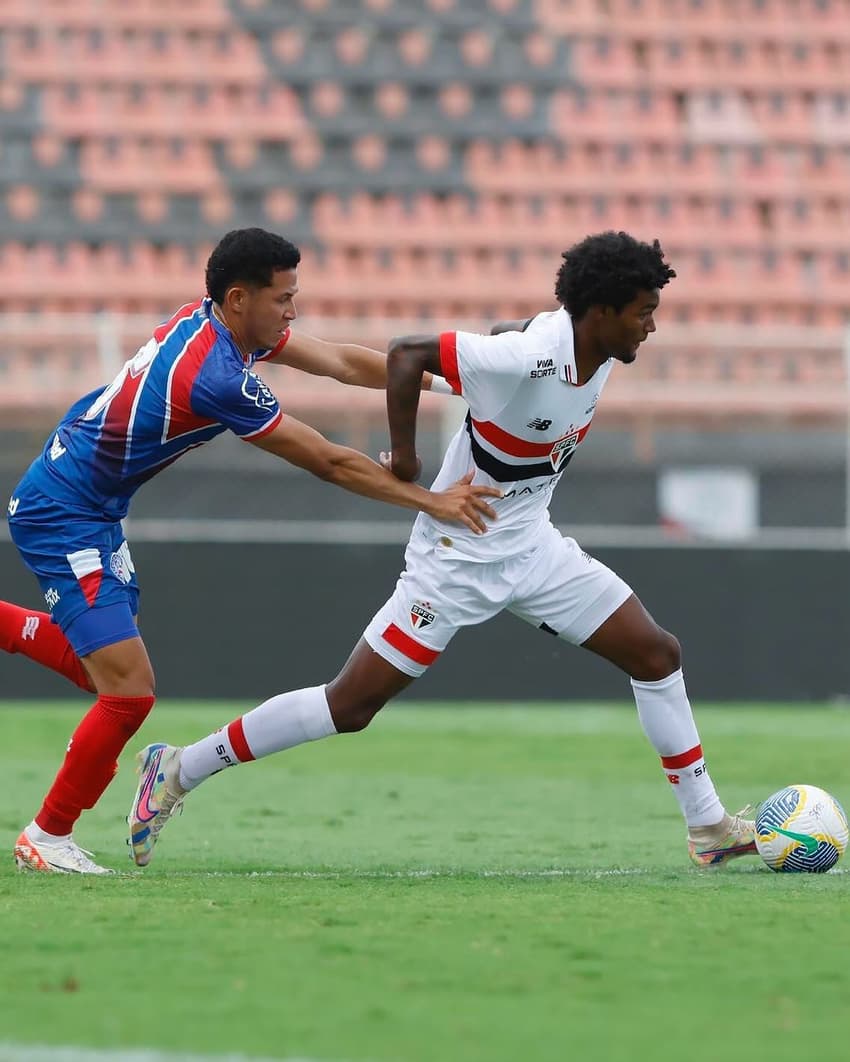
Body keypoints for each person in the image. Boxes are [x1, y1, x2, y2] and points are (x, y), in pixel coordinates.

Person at [130, 230, 756, 871]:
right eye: (643, 312)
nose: (651, 327)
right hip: (456, 556)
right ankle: (180, 769)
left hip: (533, 547)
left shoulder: (575, 348)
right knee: (349, 706)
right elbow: (405, 356)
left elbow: (503, 338)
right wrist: (406, 459)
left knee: (656, 654)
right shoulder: (536, 354)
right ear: (602, 313)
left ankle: (708, 828)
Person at [5, 227, 500, 875]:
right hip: (64, 515)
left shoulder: (219, 324)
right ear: (240, 298)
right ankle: (45, 836)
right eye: (284, 298)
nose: (293, 311)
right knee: (128, 694)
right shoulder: (216, 377)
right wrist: (432, 502)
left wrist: (456, 382)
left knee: (101, 672)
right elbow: (325, 460)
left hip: (88, 505)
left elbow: (345, 363)